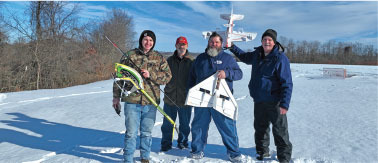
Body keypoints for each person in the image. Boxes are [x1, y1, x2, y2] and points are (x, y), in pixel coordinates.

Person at [228, 29, 293, 163]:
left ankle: (284, 158)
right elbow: (245, 57)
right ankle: (262, 152)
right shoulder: (257, 54)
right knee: (260, 128)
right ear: (262, 42)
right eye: (264, 40)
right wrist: (232, 47)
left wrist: (285, 103)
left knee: (280, 131)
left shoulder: (280, 58)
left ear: (274, 42)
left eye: (269, 40)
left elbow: (287, 83)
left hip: (275, 101)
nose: (267, 42)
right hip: (259, 100)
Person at [112, 30, 172, 163]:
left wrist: (151, 75)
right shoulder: (130, 55)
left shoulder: (159, 58)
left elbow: (168, 77)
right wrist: (116, 96)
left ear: (154, 42)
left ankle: (145, 158)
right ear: (141, 40)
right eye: (146, 40)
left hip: (150, 102)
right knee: (131, 133)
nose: (148, 43)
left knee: (146, 133)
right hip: (132, 100)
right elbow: (118, 76)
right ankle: (128, 159)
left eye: (151, 40)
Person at [187, 32, 244, 162]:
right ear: (208, 43)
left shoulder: (228, 58)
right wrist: (190, 94)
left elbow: (239, 74)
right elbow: (191, 77)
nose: (214, 44)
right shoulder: (200, 59)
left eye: (216, 42)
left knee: (227, 127)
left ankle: (234, 153)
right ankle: (197, 150)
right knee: (199, 126)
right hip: (202, 99)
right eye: (211, 42)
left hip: (222, 99)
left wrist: (227, 73)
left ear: (221, 44)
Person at [160, 36, 194, 151]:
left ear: (187, 46)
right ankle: (166, 144)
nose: (181, 46)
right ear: (176, 46)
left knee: (184, 125)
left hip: (185, 100)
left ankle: (183, 143)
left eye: (183, 44)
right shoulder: (169, 61)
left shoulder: (191, 62)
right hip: (170, 99)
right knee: (167, 125)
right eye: (179, 44)